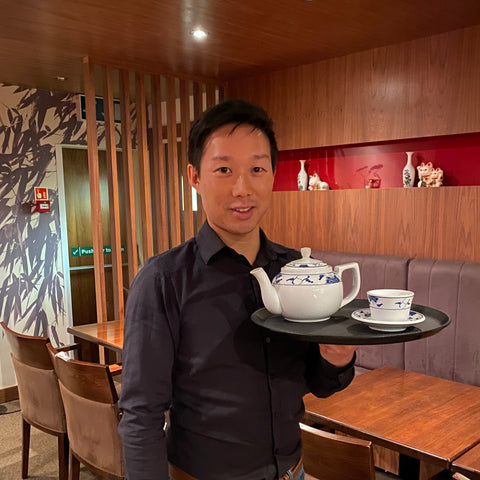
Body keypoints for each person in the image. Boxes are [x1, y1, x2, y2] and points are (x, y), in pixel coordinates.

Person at [118, 100, 357, 480]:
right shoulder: (164, 279)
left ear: (273, 175)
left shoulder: (293, 271)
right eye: (224, 170)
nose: (242, 188)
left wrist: (337, 359)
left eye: (257, 169)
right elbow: (140, 414)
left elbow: (317, 383)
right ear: (194, 177)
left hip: (293, 471)